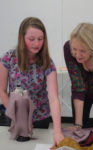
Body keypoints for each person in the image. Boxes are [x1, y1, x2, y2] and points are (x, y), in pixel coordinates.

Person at [0, 17, 64, 145]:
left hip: (40, 117)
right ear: (22, 38)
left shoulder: (47, 62)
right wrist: (16, 117)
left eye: (40, 39)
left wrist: (57, 130)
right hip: (15, 116)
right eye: (31, 39)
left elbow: (53, 98)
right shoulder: (9, 58)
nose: (36, 43)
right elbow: (2, 91)